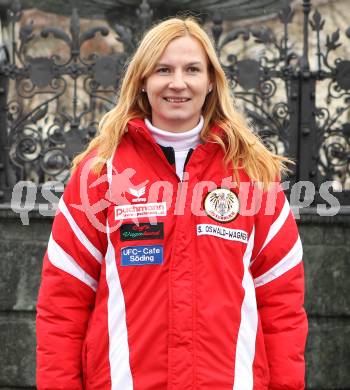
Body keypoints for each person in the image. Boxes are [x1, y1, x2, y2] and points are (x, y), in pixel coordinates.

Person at [36, 17, 308, 390]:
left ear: (211, 81)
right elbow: (61, 308)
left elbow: (283, 309)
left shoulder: (252, 175)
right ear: (143, 81)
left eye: (192, 70)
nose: (178, 83)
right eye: (163, 69)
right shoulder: (100, 173)